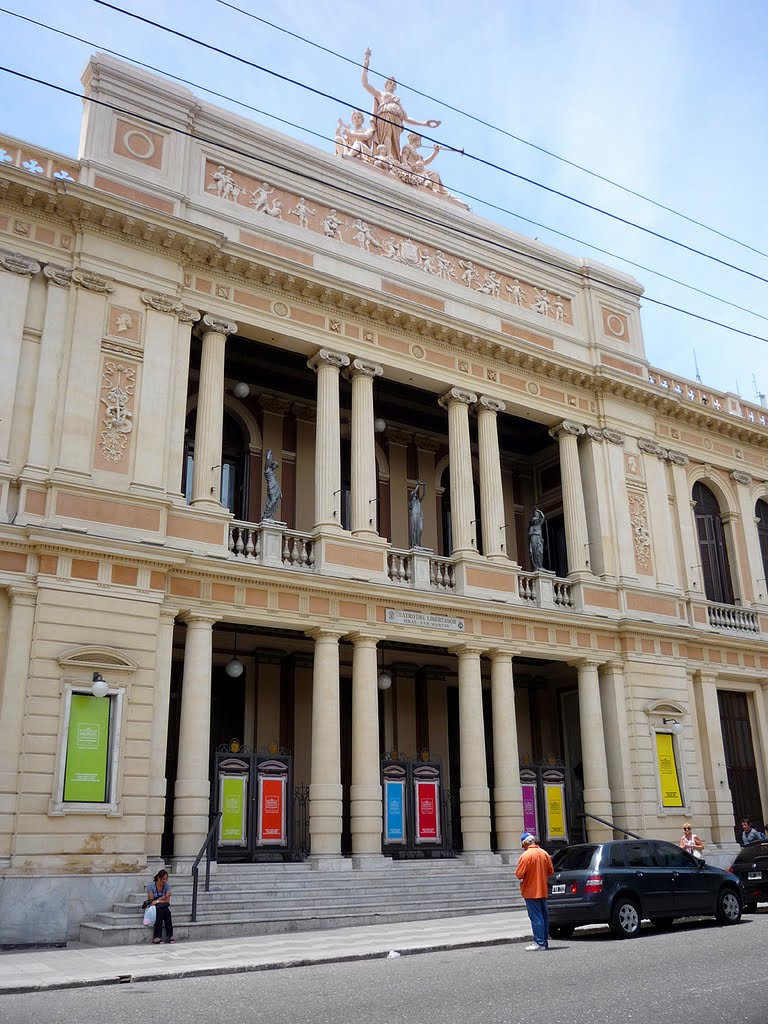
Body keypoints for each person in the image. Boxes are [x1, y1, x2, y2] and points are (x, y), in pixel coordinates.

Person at [360, 49, 440, 164]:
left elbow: (406, 119)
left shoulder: (397, 101)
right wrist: (365, 64)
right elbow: (365, 83)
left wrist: (424, 123)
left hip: (396, 121)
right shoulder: (381, 94)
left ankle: (393, 156)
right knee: (387, 135)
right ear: (386, 84)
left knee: (394, 139)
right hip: (385, 115)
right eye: (390, 82)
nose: (392, 85)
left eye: (394, 84)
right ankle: (389, 155)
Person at [515, 831, 554, 951]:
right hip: (542, 890)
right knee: (543, 917)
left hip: (531, 891)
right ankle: (544, 941)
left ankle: (539, 942)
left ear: (524, 844)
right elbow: (550, 871)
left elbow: (519, 874)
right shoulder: (544, 854)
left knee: (536, 917)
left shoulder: (526, 856)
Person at [146, 869, 174, 944]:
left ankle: (170, 935)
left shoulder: (167, 886)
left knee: (167, 912)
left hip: (162, 905)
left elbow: (167, 901)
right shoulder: (151, 886)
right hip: (154, 907)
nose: (165, 881)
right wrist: (164, 897)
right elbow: (151, 900)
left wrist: (158, 900)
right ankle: (157, 937)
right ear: (159, 878)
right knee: (160, 912)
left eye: (166, 879)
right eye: (163, 879)